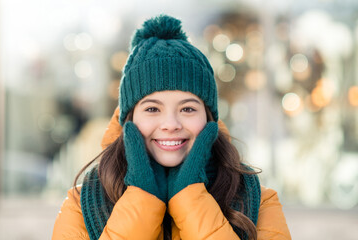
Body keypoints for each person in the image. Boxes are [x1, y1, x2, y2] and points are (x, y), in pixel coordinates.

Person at [52, 15, 291, 240]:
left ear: (209, 119)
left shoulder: (259, 201)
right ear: (129, 121)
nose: (171, 125)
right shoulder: (81, 205)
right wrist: (141, 200)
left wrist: (191, 199)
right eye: (152, 109)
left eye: (187, 109)